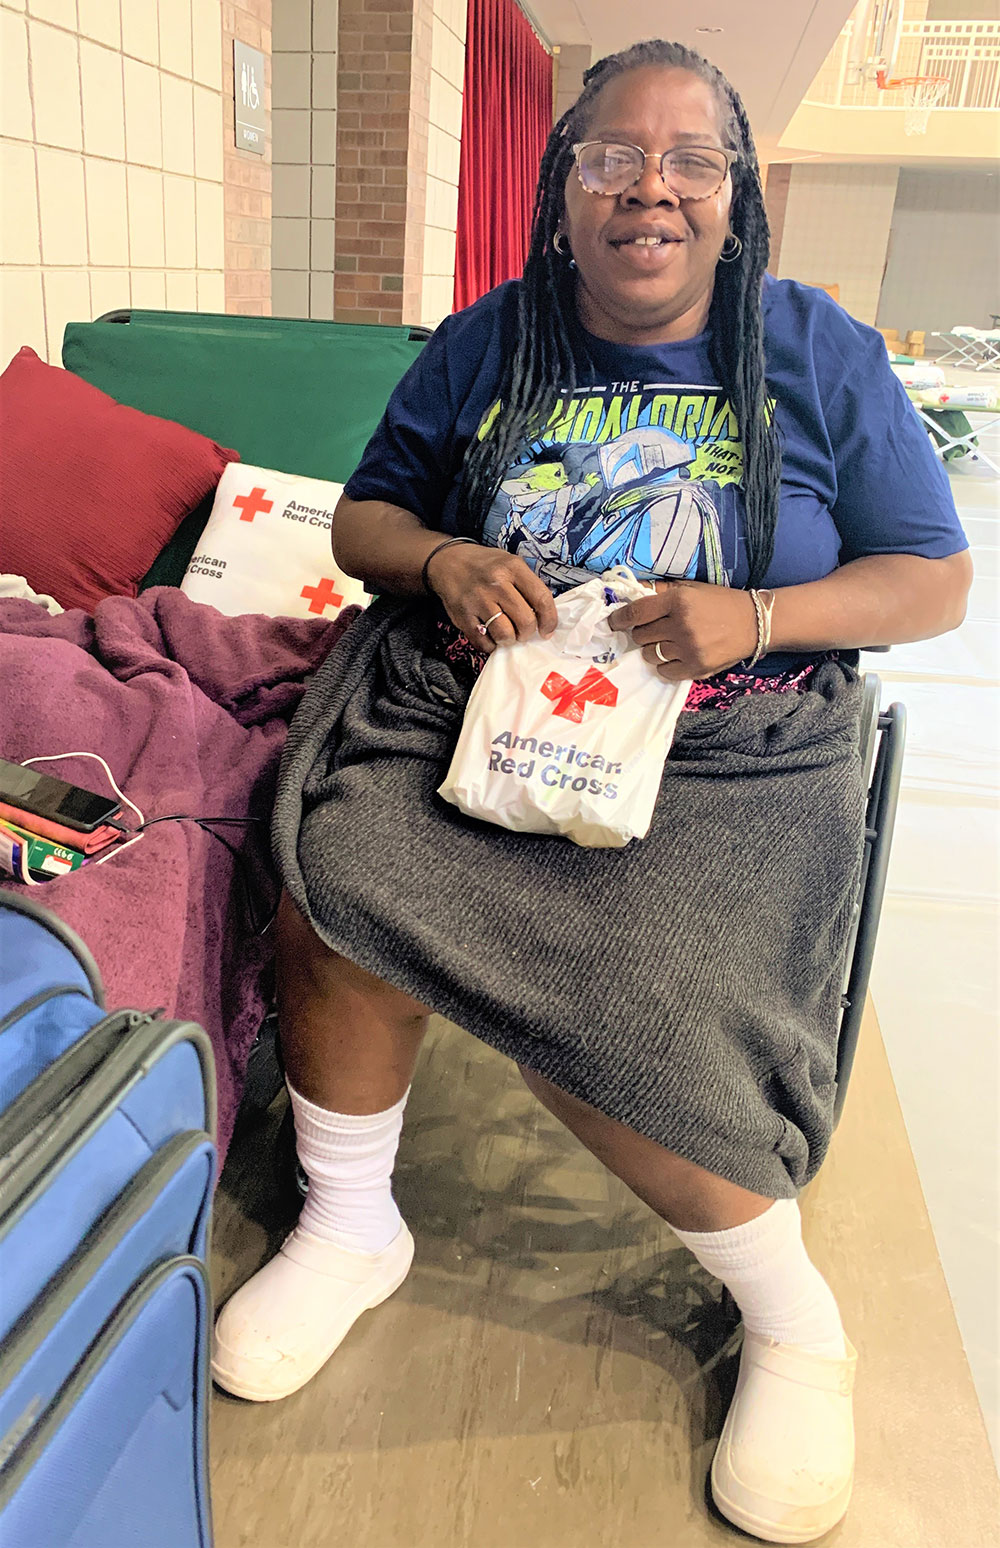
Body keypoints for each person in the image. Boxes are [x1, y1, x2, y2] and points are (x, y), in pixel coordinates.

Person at [212, 39, 970, 1545]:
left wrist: (755, 614)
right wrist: (437, 557)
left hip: (729, 747)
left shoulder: (816, 354)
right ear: (563, 193)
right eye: (614, 158)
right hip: (487, 713)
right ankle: (355, 1223)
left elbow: (934, 580)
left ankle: (790, 1308)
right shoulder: (490, 342)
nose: (653, 189)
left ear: (737, 198)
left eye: (693, 161)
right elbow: (366, 514)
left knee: (636, 984)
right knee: (341, 871)